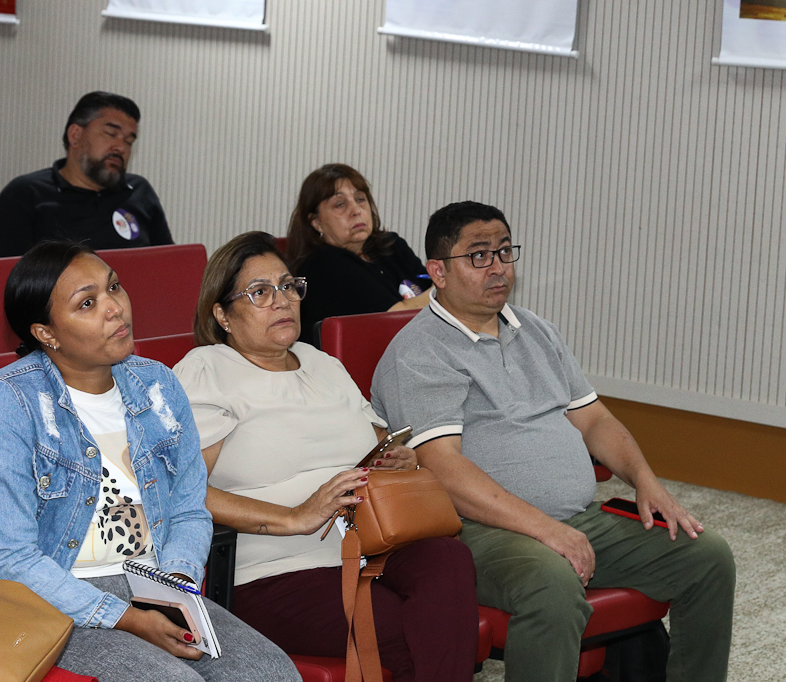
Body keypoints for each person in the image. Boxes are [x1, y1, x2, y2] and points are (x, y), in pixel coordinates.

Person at [372, 201, 736, 682]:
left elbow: (595, 420)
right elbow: (443, 470)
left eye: (504, 251)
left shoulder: (536, 330)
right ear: (437, 271)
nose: (498, 267)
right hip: (476, 531)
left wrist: (647, 482)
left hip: (577, 519)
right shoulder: (419, 352)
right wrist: (545, 529)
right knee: (551, 583)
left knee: (707, 557)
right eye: (479, 256)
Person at [0, 240, 298, 682]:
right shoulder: (2, 405)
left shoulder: (157, 385)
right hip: (49, 596)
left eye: (113, 287)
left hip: (151, 584)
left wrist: (173, 587)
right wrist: (125, 617)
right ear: (46, 333)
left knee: (272, 673)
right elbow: (7, 558)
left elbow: (188, 510)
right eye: (87, 303)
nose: (114, 308)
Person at [175, 233, 478, 682]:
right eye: (260, 292)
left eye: (288, 286)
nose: (282, 301)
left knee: (448, 562)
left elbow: (382, 442)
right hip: (275, 568)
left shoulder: (321, 364)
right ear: (222, 314)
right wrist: (296, 514)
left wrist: (401, 459)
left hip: (371, 543)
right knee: (404, 632)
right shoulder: (208, 371)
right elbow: (183, 490)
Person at [0, 92, 174, 257]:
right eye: (110, 133)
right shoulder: (26, 194)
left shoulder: (139, 191)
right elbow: (5, 282)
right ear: (75, 135)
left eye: (129, 141)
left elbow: (170, 264)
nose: (121, 147)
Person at [285, 165, 430, 343]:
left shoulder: (392, 245)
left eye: (360, 199)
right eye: (340, 204)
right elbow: (397, 320)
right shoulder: (323, 264)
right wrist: (452, 285)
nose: (356, 210)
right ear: (316, 222)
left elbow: (434, 293)